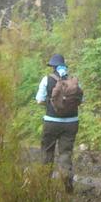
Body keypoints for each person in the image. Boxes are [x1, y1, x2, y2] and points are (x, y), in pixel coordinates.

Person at [36, 53, 82, 192]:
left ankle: (45, 184)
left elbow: (39, 100)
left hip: (51, 122)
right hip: (71, 123)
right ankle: (67, 184)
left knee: (47, 151)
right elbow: (80, 101)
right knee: (65, 153)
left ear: (53, 67)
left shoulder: (46, 80)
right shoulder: (74, 82)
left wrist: (51, 103)